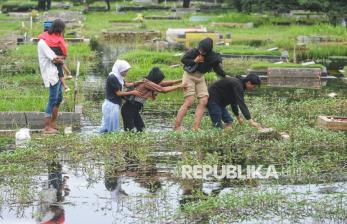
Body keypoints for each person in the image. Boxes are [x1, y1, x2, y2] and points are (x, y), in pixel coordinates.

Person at [174, 37, 226, 131]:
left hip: (200, 77)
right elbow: (184, 60)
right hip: (189, 76)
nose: (201, 52)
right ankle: (177, 127)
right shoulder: (194, 51)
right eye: (201, 50)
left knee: (204, 101)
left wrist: (225, 75)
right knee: (189, 101)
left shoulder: (212, 56)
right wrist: (195, 61)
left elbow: (217, 68)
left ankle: (196, 127)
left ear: (209, 50)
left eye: (204, 51)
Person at [121, 67, 183, 132]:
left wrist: (181, 80)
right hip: (128, 109)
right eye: (160, 80)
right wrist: (179, 86)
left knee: (141, 129)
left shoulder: (150, 82)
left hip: (134, 109)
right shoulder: (147, 83)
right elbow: (163, 90)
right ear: (155, 79)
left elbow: (166, 83)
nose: (161, 82)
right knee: (129, 132)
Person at [100, 60, 141, 133]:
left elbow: (127, 85)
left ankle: (106, 138)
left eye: (127, 71)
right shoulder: (112, 78)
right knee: (108, 127)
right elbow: (118, 93)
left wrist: (139, 82)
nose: (126, 73)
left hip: (115, 104)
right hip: (111, 105)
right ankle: (104, 139)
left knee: (111, 126)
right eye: (125, 71)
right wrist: (133, 92)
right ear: (120, 70)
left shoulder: (118, 76)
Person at [39, 19, 70, 93]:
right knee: (59, 68)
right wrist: (65, 55)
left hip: (49, 53)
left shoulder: (45, 35)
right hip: (56, 53)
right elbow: (64, 47)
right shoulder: (59, 37)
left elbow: (40, 37)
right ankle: (65, 85)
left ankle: (68, 74)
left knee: (59, 65)